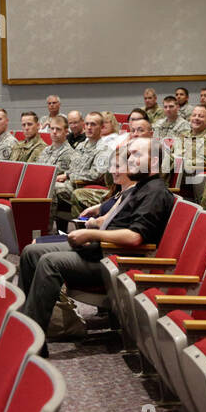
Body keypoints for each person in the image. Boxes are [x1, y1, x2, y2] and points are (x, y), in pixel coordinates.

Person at [18, 137, 175, 352]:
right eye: (130, 155)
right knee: (30, 252)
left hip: (117, 260)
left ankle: (32, 343)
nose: (131, 159)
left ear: (155, 163)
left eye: (138, 154)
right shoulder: (140, 187)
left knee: (48, 262)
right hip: (101, 250)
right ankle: (23, 324)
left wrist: (91, 233)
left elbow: (135, 237)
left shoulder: (155, 192)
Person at [177, 104, 206, 195]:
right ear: (190, 118)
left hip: (192, 175)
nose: (196, 118)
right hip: (176, 171)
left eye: (201, 116)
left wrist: (181, 162)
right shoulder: (182, 135)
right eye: (194, 115)